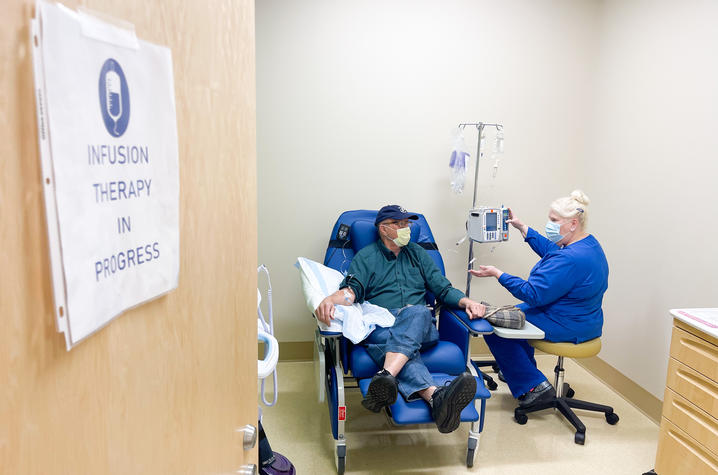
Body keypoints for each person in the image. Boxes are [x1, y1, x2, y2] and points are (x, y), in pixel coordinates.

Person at [315, 205, 486, 433]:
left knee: (416, 312)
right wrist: (331, 299)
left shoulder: (417, 253)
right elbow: (352, 290)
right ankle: (437, 399)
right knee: (388, 340)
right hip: (383, 323)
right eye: (400, 224)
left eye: (408, 224)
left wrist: (468, 302)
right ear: (383, 229)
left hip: (419, 323)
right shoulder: (367, 257)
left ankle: (386, 376)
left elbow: (442, 288)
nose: (407, 228)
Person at [469, 190, 608, 408]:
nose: (549, 224)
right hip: (585, 319)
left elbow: (533, 294)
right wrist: (523, 228)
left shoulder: (570, 258)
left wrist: (499, 274)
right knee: (514, 314)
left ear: (572, 223)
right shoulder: (587, 245)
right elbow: (553, 251)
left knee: (498, 325)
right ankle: (524, 372)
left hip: (568, 323)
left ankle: (532, 385)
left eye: (554, 221)